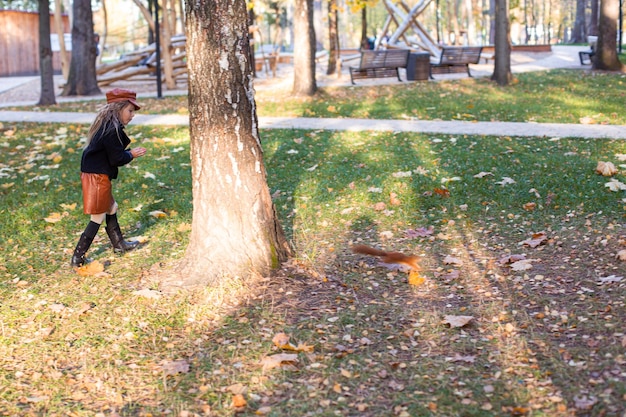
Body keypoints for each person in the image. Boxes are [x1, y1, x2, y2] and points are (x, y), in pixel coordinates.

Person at [70, 88, 147, 268]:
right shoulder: (111, 130)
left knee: (112, 207)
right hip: (96, 177)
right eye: (130, 110)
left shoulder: (108, 126)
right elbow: (117, 158)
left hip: (97, 174)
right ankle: (77, 258)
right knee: (97, 217)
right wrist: (132, 154)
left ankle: (119, 245)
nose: (132, 115)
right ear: (118, 109)